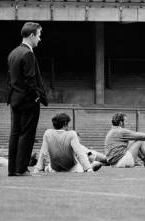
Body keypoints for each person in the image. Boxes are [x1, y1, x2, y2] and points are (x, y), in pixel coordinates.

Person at [7, 22, 48, 176]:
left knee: (15, 134)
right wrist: (37, 97)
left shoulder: (13, 53)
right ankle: (22, 168)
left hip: (15, 99)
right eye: (39, 35)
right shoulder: (28, 54)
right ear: (31, 35)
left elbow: (11, 79)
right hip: (28, 101)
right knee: (27, 135)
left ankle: (12, 169)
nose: (40, 39)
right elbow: (31, 80)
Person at [33, 113, 105, 173]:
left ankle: (47, 168)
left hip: (55, 169)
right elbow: (79, 152)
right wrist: (88, 169)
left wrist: (38, 168)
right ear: (65, 124)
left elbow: (43, 152)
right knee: (80, 159)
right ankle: (90, 166)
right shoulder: (71, 134)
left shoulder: (47, 133)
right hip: (72, 169)